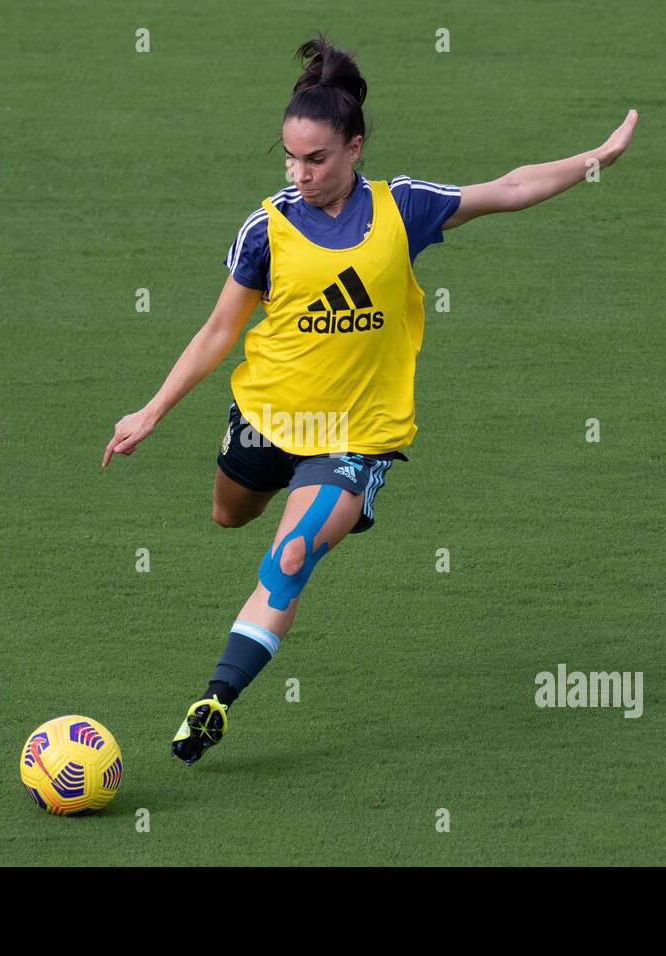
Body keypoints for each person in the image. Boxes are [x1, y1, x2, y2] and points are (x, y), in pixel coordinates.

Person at [101, 32, 638, 765]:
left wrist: (593, 160)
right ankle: (317, 504)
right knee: (231, 515)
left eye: (316, 158)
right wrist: (151, 410)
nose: (301, 172)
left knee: (290, 554)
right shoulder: (268, 227)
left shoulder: (403, 209)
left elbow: (508, 189)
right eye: (291, 157)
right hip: (267, 418)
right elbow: (219, 330)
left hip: (357, 432)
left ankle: (214, 701)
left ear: (354, 147)